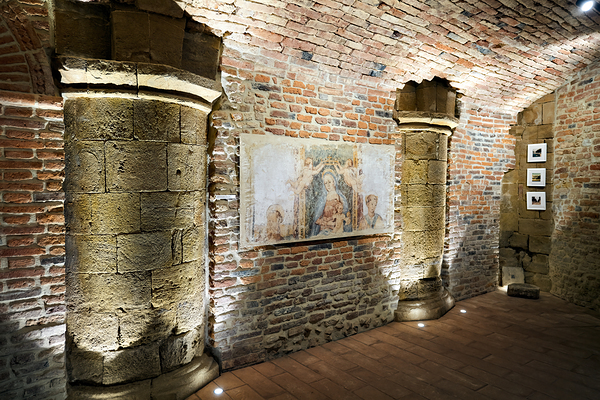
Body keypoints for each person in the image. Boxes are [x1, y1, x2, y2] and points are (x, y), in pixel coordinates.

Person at [312, 171, 350, 236]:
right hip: (324, 230)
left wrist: (347, 219)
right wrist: (327, 223)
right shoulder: (322, 200)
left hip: (338, 229)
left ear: (334, 182)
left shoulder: (341, 198)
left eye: (329, 182)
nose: (328, 185)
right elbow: (317, 219)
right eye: (325, 183)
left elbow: (346, 214)